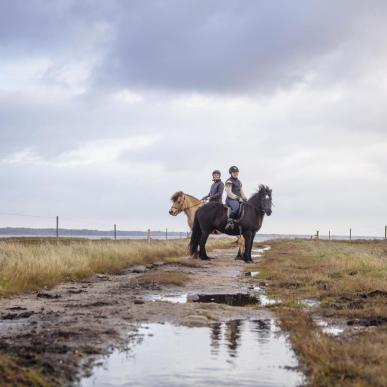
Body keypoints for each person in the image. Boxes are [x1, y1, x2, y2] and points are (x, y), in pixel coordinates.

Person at [225, 166, 247, 230]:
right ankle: (230, 221)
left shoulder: (239, 182)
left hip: (238, 199)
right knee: (236, 207)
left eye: (236, 172)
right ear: (231, 173)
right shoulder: (228, 181)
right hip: (230, 199)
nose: (235, 173)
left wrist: (245, 198)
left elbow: (241, 191)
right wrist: (237, 198)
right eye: (234, 172)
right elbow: (228, 192)